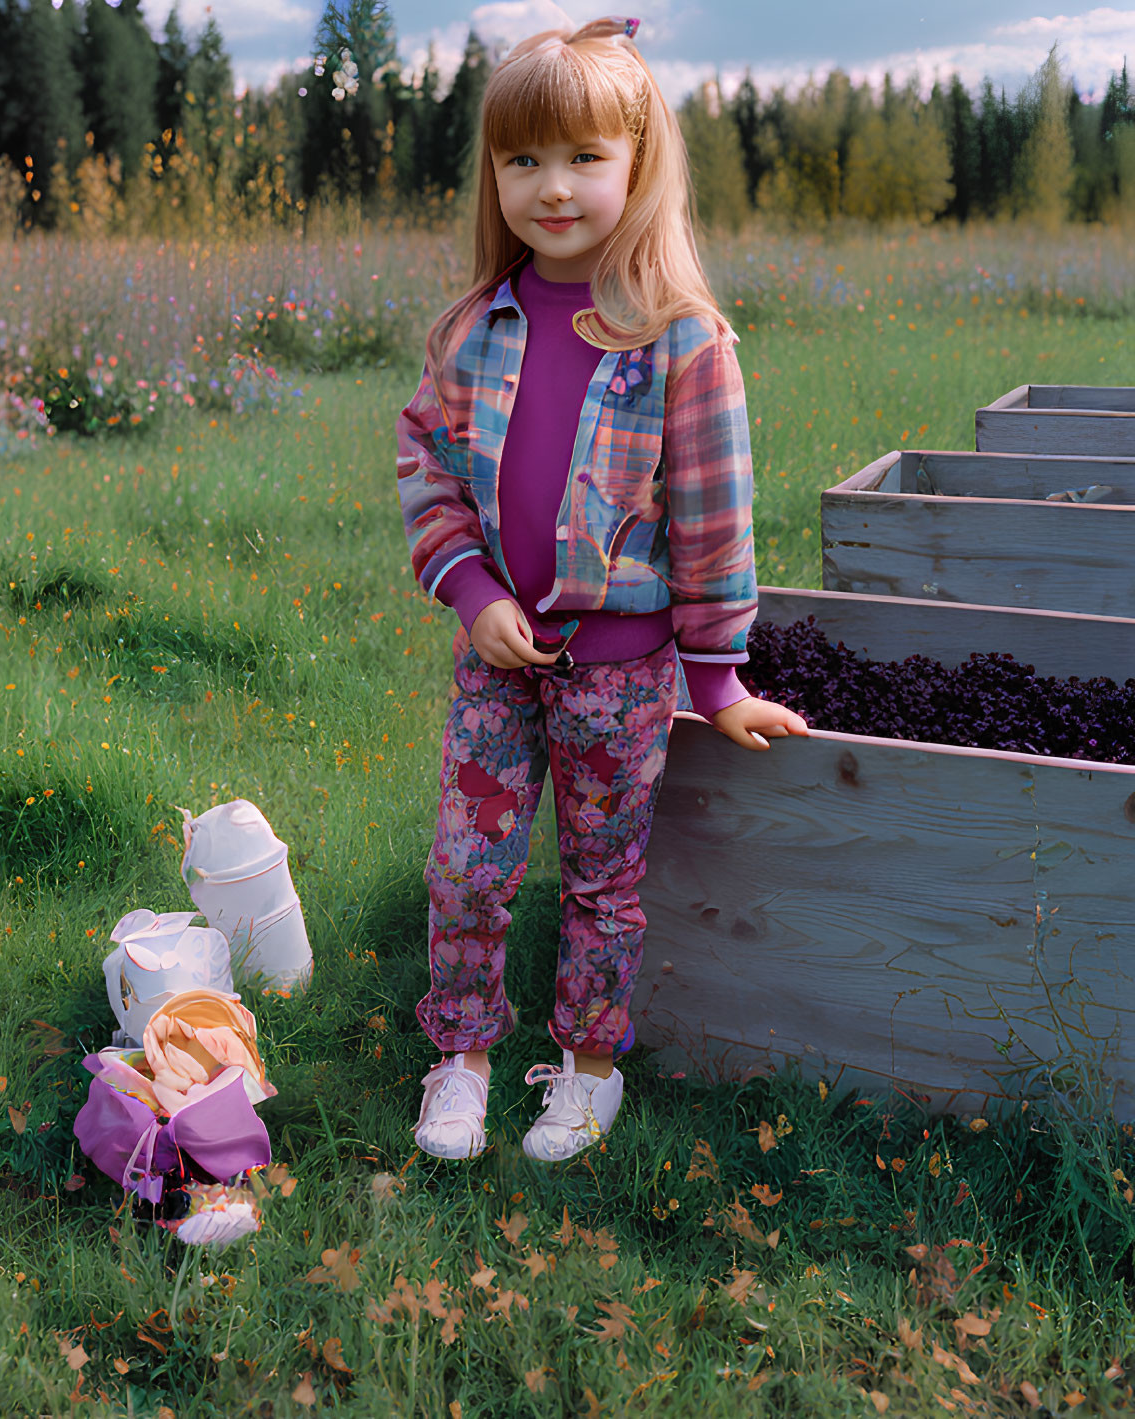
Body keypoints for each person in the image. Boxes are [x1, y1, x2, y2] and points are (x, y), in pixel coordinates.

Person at [395, 15, 809, 1163]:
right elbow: (423, 467)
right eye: (522, 159)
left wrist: (718, 679)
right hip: (496, 660)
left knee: (601, 879)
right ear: (493, 176)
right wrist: (471, 585)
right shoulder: (473, 329)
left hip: (623, 674)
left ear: (638, 165)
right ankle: (462, 1056)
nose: (552, 187)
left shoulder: (681, 343)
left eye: (583, 157)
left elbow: (717, 522)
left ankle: (585, 1070)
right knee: (466, 866)